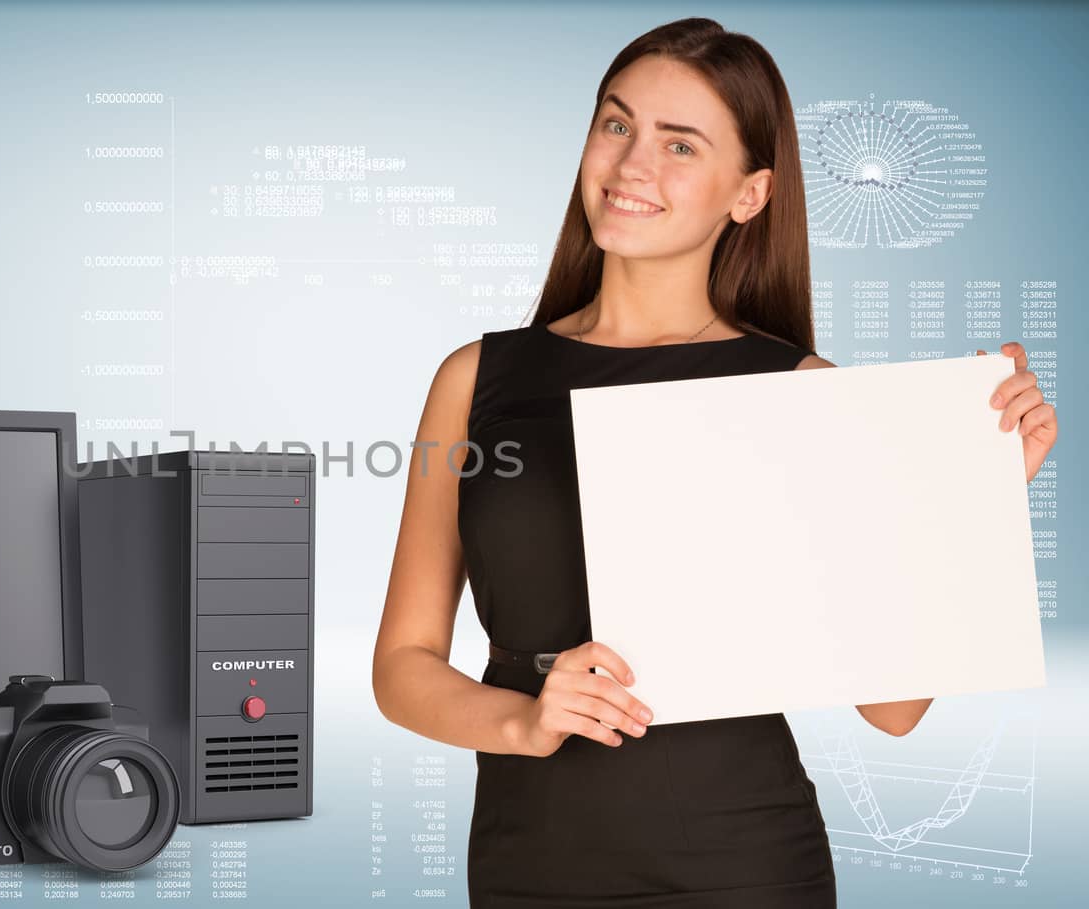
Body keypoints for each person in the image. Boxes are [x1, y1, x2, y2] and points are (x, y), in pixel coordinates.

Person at [369, 16, 1060, 908]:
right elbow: (403, 663)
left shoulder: (804, 390)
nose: (631, 166)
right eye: (616, 124)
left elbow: (892, 710)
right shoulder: (473, 379)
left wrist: (974, 497)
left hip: (745, 867)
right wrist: (524, 719)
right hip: (525, 866)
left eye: (680, 145)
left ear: (750, 193)